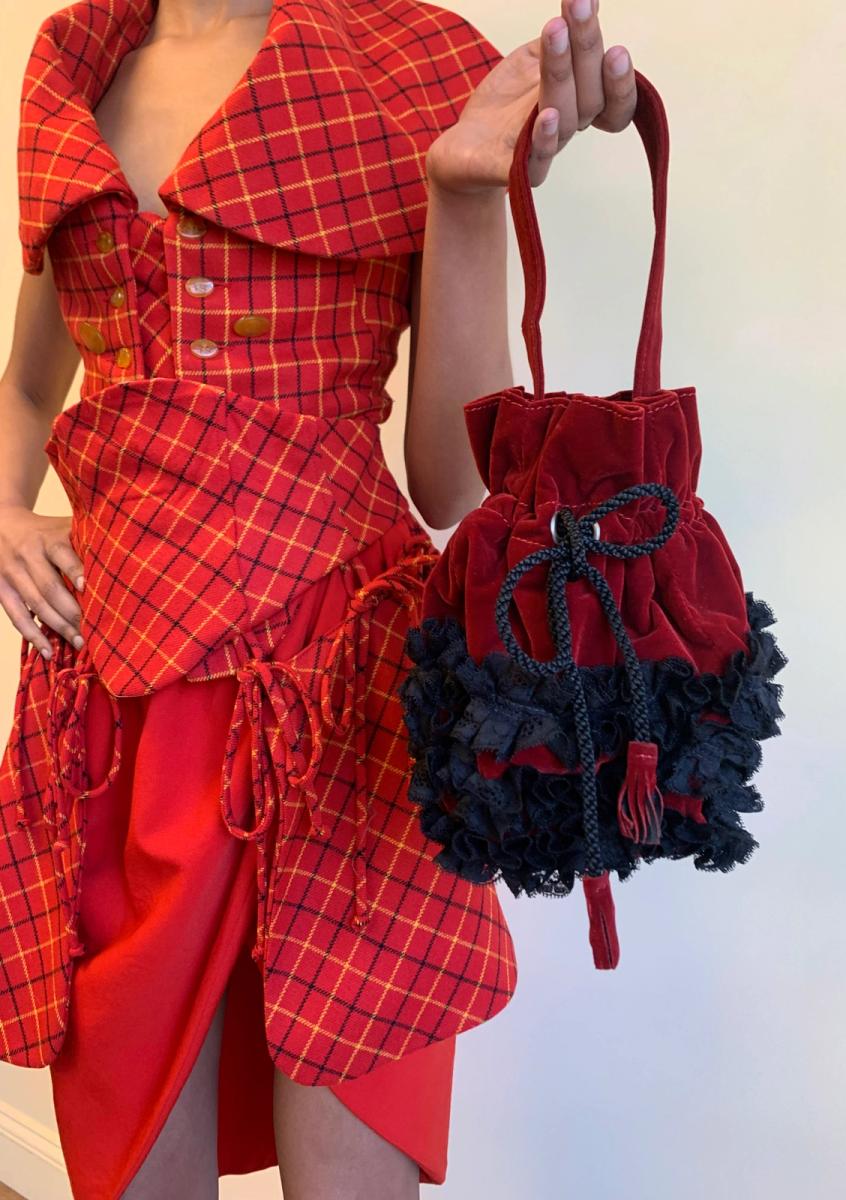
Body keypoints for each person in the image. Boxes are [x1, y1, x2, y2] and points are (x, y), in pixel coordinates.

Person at [0, 1, 637, 1196]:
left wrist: (465, 195)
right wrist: (4, 513)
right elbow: (30, 387)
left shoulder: (403, 70)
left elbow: (451, 484)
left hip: (347, 713)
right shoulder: (77, 73)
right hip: (117, 715)